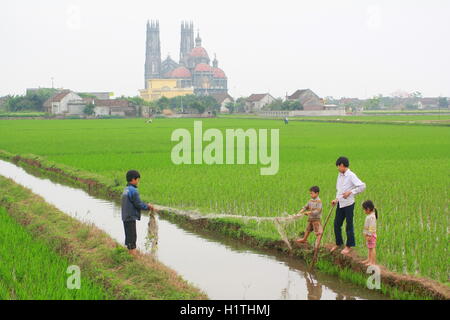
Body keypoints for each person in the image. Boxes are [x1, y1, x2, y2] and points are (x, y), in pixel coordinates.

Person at [331, 157, 366, 255]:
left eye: (338, 166)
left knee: (349, 225)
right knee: (336, 224)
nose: (337, 168)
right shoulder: (340, 175)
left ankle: (349, 246)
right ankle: (339, 243)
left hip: (349, 204)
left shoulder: (351, 175)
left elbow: (362, 186)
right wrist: (336, 199)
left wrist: (351, 192)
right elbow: (340, 190)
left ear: (342, 165)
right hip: (340, 203)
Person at [121, 170, 156, 256]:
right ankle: (132, 256)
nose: (138, 182)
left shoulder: (126, 189)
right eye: (138, 180)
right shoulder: (134, 191)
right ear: (133, 179)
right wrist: (148, 206)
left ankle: (130, 254)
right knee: (132, 237)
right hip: (130, 216)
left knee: (129, 236)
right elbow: (138, 204)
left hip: (125, 216)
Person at [361, 200, 378, 266]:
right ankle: (369, 259)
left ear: (368, 209)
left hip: (371, 235)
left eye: (364, 209)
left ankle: (372, 262)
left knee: (372, 248)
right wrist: (365, 234)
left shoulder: (372, 217)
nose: (364, 211)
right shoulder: (370, 216)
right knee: (369, 247)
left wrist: (369, 235)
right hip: (368, 235)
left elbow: (372, 227)